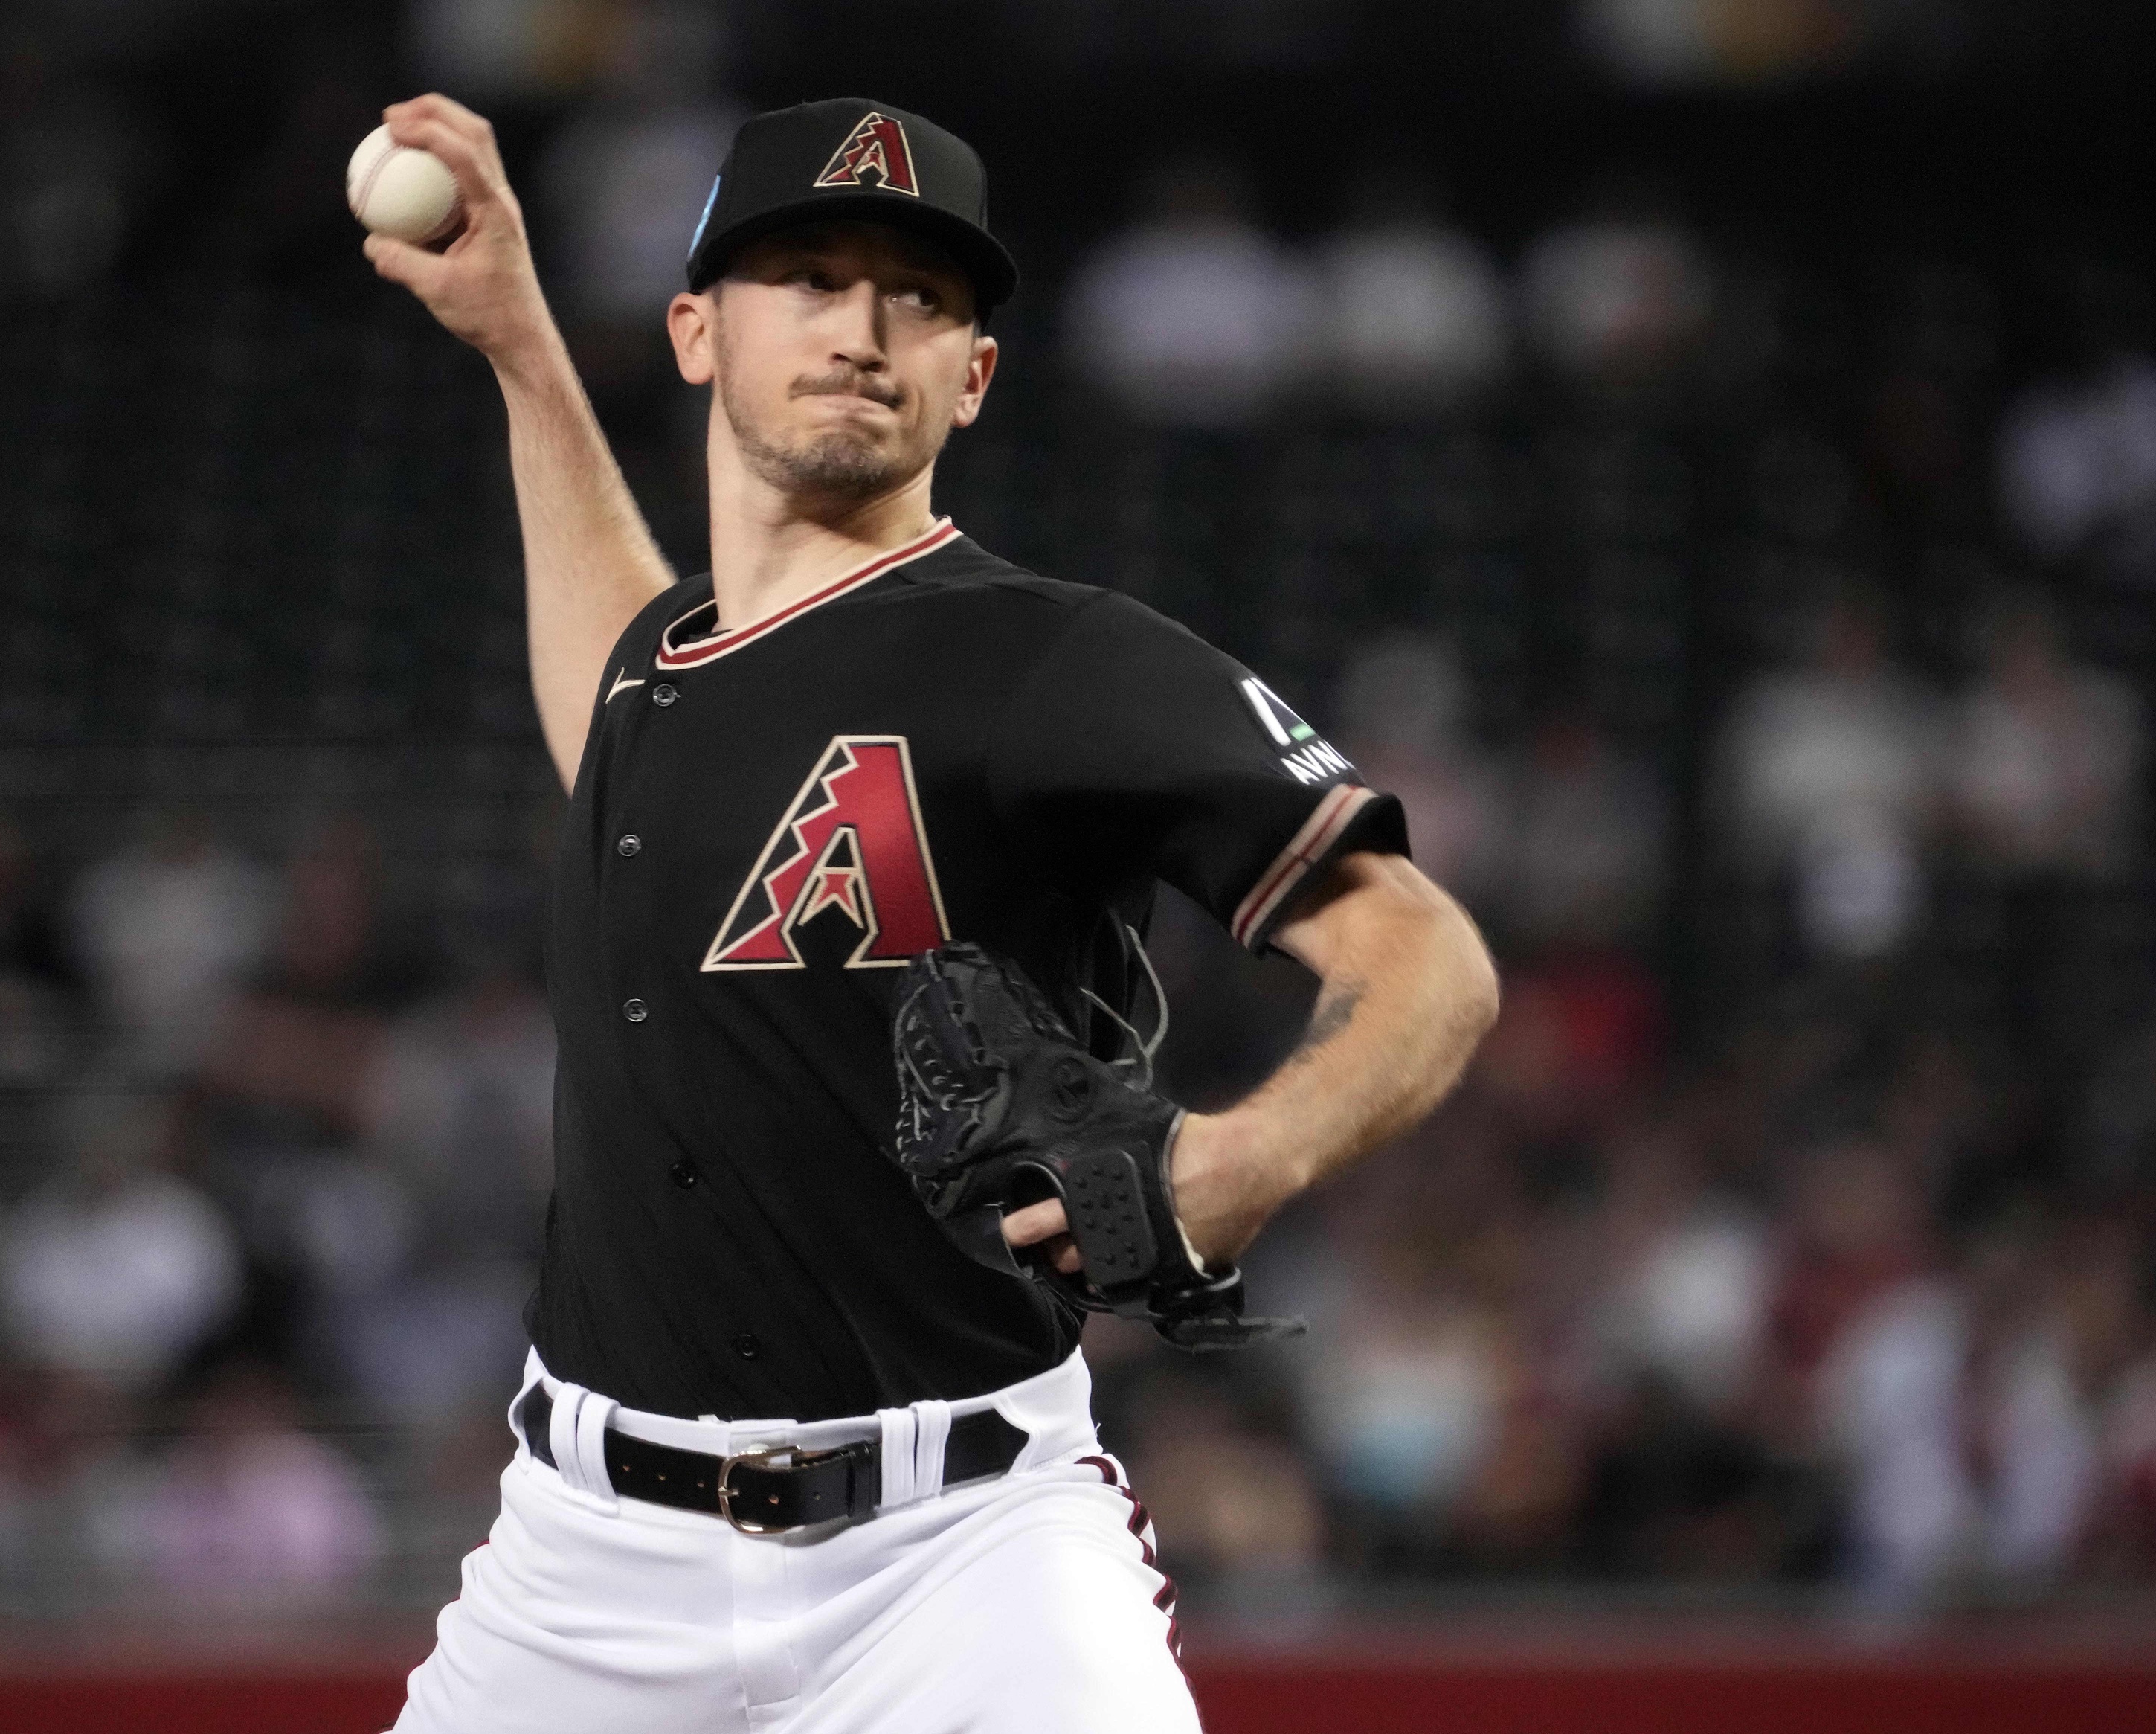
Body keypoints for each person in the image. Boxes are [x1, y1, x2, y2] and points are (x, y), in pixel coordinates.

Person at [364, 94, 1498, 1731]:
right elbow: (618, 690)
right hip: (581, 1560)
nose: (863, 327)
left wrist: (1249, 1153)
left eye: (920, 295)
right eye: (808, 277)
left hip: (961, 1553)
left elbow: (1427, 954)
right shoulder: (663, 682)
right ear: (696, 333)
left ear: (974, 374)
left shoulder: (1051, 655)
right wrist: (524, 349)